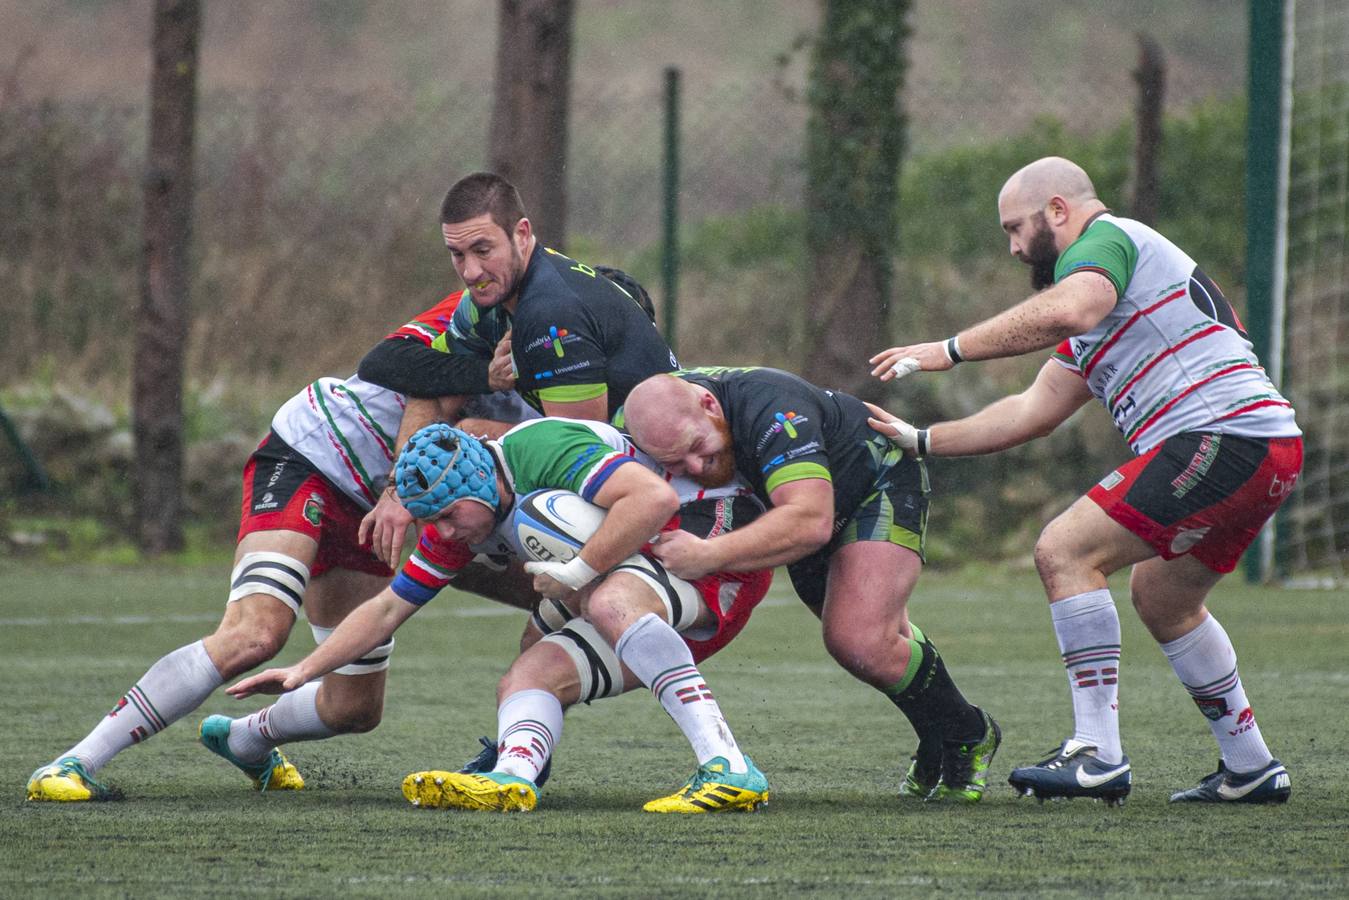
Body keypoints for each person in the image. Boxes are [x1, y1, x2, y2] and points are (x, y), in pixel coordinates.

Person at [867, 156, 1302, 806]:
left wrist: (947, 350)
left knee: (1065, 550)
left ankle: (1096, 753)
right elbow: (1027, 414)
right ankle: (1250, 767)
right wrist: (920, 440)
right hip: (1264, 448)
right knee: (1162, 597)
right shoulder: (1104, 301)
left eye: (1016, 228)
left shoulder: (1105, 243)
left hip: (1221, 437)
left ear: (1059, 211)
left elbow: (1068, 309)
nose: (1014, 248)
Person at [24, 292, 539, 803]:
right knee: (255, 633)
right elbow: (421, 383)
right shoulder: (503, 305)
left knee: (355, 707)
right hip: (315, 455)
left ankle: (246, 739)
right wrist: (405, 487)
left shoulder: (583, 372)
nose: (469, 267)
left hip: (380, 509)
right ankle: (75, 761)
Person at [229, 420, 774, 814]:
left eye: (446, 516)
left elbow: (653, 498)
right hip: (639, 570)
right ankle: (512, 775)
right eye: (428, 521)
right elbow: (388, 606)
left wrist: (579, 571)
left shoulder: (540, 449)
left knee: (600, 599)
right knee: (527, 672)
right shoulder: (469, 512)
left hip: (710, 542)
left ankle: (728, 766)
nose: (441, 533)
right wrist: (306, 669)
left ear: (476, 484)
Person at [621, 367, 1001, 803]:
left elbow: (809, 521)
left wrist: (705, 555)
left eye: (696, 447)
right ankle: (938, 735)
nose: (693, 467)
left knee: (857, 640)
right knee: (877, 643)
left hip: (873, 485)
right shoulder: (657, 414)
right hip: (797, 507)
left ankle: (968, 733)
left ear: (709, 406)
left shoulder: (772, 411)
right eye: (674, 463)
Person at [355, 171, 675, 565]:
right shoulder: (485, 304)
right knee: (460, 528)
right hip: (612, 477)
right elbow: (429, 383)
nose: (470, 272)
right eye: (458, 255)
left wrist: (467, 442)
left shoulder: (550, 313)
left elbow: (580, 447)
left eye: (483, 250)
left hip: (660, 486)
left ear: (521, 234)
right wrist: (402, 485)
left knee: (484, 516)